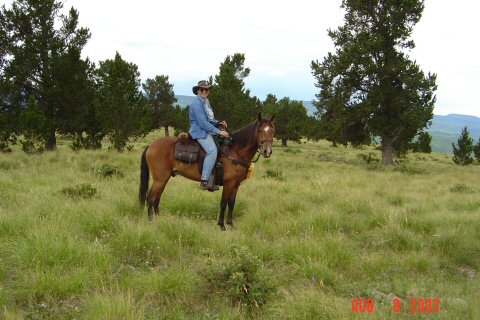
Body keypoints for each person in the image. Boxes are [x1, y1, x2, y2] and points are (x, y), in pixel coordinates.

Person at [189, 80, 229, 190]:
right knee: (212, 151)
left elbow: (209, 120)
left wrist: (218, 122)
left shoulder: (206, 102)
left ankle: (215, 176)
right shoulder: (197, 103)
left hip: (207, 130)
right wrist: (219, 131)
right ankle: (204, 180)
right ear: (198, 91)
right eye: (202, 89)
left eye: (207, 89)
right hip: (200, 132)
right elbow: (202, 123)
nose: (204, 91)